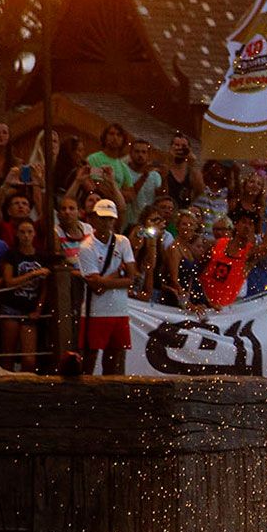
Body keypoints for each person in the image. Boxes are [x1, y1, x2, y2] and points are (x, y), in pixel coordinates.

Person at [77, 198, 137, 375]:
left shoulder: (122, 241)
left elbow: (131, 278)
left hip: (119, 310)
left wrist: (105, 282)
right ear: (94, 219)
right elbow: (95, 284)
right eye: (103, 218)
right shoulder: (86, 247)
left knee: (115, 358)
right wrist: (118, 276)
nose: (107, 222)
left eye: (110, 218)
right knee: (90, 357)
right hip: (95, 311)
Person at [0, 218, 50, 372]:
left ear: (34, 234)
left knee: (29, 359)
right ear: (16, 234)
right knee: (8, 355)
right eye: (22, 232)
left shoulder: (42, 256)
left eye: (29, 232)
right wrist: (33, 274)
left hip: (30, 308)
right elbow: (9, 282)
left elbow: (44, 288)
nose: (26, 236)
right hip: (11, 307)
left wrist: (39, 309)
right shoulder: (11, 255)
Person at [124, 137, 161, 228]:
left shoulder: (155, 175)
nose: (140, 155)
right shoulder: (124, 171)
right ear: (131, 153)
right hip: (128, 223)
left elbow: (161, 197)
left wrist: (164, 177)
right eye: (137, 151)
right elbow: (129, 196)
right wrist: (144, 177)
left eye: (144, 152)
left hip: (149, 224)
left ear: (148, 155)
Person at [162, 133, 205, 209]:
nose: (180, 148)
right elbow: (162, 191)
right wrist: (170, 159)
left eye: (184, 146)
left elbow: (200, 190)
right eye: (177, 145)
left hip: (184, 213)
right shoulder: (165, 168)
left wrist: (192, 163)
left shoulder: (191, 172)